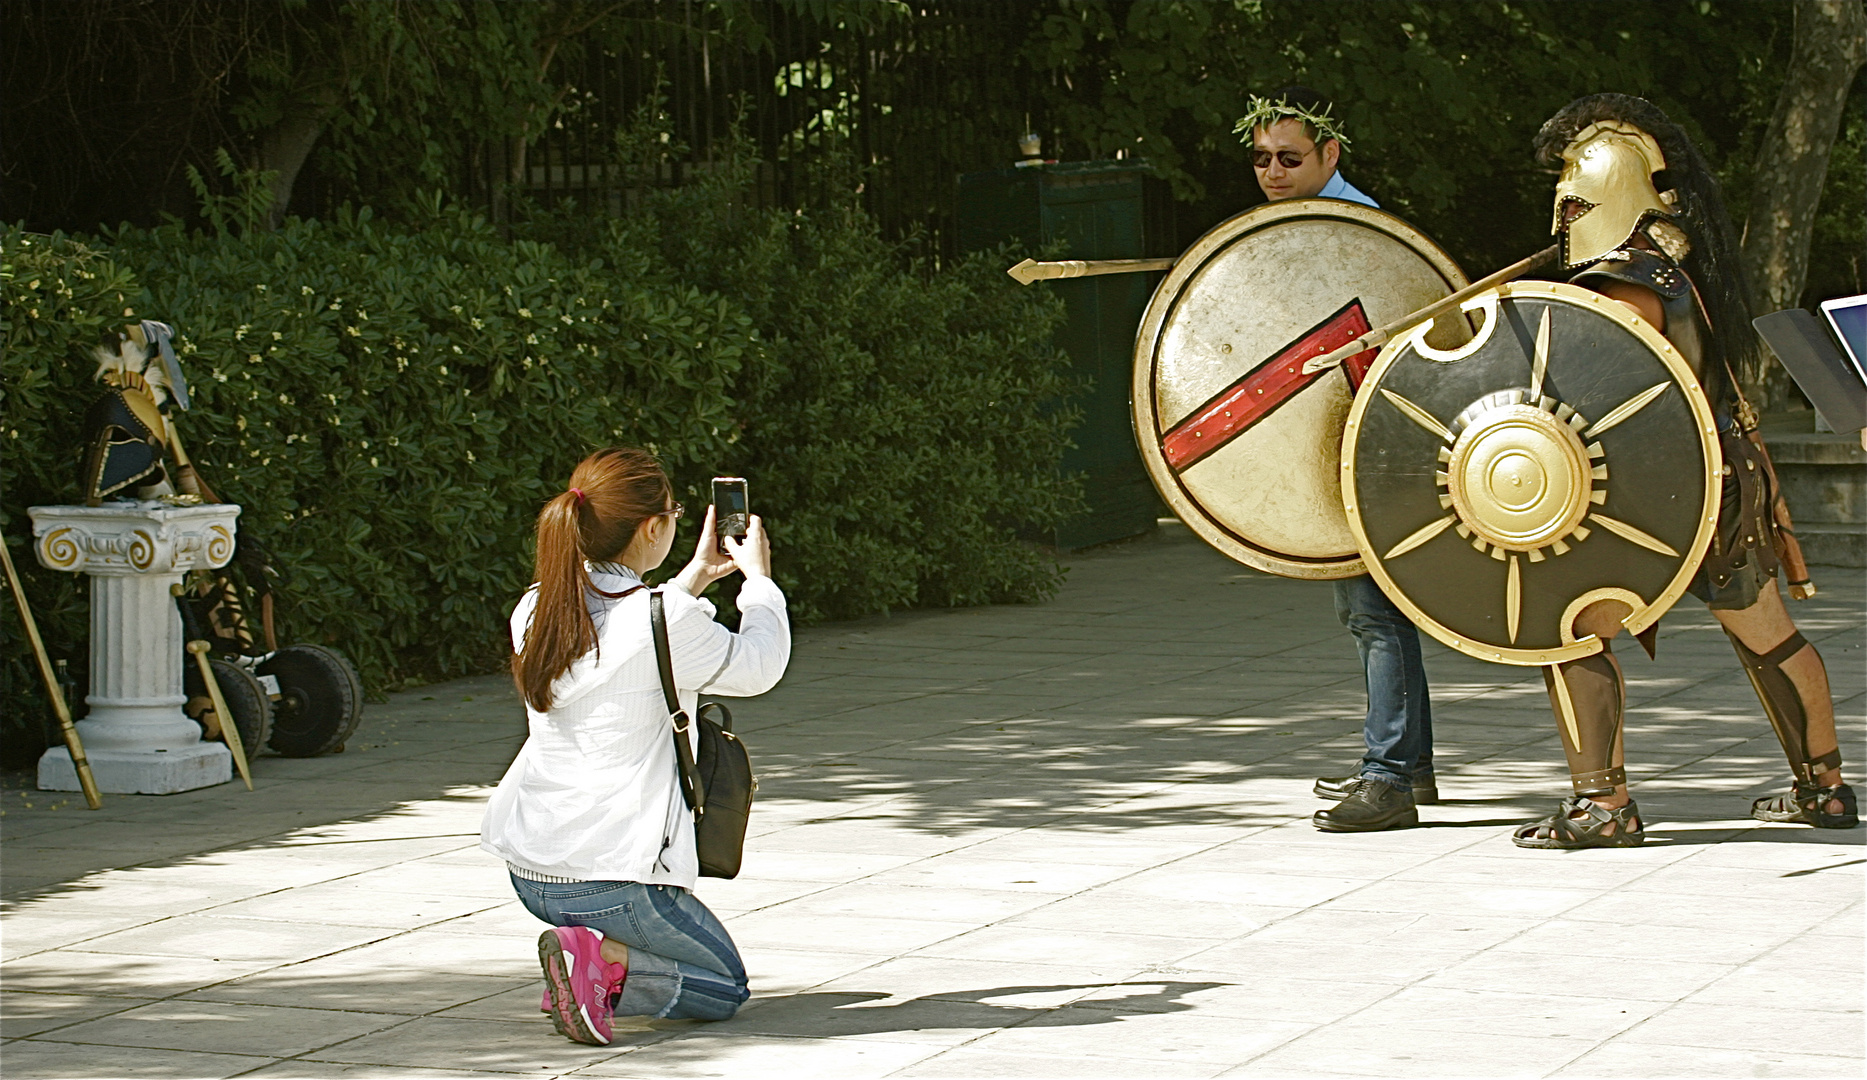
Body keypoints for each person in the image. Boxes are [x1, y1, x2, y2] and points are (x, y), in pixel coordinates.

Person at [1512, 93, 1855, 849]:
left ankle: (1602, 806)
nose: (1560, 217)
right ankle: (1823, 788)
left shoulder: (1621, 285)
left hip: (1659, 496)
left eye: (1571, 201)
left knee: (1571, 625)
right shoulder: (1673, 264)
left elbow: (1602, 398)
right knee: (1769, 635)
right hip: (1722, 480)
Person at [479, 447, 790, 1042]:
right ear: (653, 527)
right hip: (615, 878)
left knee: (687, 963)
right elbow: (760, 666)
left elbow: (633, 634)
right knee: (725, 987)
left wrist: (696, 574)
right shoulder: (664, 617)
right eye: (672, 511)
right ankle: (598, 969)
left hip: (532, 872)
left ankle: (586, 962)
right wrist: (758, 581)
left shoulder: (538, 604)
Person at [1234, 87, 1439, 833]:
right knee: (1369, 614)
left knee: (1375, 614)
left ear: (1329, 156)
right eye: (1260, 159)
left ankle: (1387, 778)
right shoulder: (1295, 228)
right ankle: (1406, 764)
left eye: (1289, 158)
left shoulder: (1361, 234)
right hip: (1334, 446)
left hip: (1374, 447)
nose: (1273, 172)